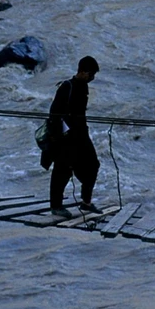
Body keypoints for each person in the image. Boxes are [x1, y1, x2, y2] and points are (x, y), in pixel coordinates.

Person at [47, 56, 102, 218]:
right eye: (91, 74)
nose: (92, 78)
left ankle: (86, 202)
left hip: (81, 136)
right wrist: (59, 137)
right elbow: (54, 114)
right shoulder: (66, 87)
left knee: (93, 165)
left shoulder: (84, 87)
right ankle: (56, 206)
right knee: (62, 171)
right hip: (65, 138)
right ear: (83, 72)